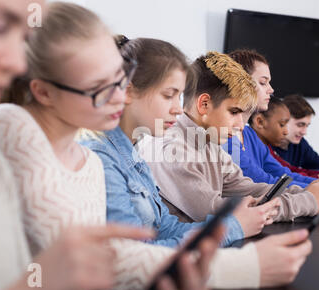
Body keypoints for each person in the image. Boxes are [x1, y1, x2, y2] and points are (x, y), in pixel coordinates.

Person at [0, 1, 221, 290]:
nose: (119, 98)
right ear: (44, 92)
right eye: (102, 86)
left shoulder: (88, 160)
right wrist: (243, 259)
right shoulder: (11, 125)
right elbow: (111, 262)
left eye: (120, 80)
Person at [81, 36, 279, 247]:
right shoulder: (101, 159)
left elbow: (165, 228)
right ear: (128, 92)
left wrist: (232, 223)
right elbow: (133, 256)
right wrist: (233, 227)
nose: (178, 108)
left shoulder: (133, 155)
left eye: (179, 96)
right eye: (168, 95)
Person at [137, 50, 319, 227]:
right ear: (204, 105)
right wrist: (309, 202)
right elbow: (219, 213)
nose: (241, 125)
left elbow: (245, 187)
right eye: (234, 112)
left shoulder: (208, 142)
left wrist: (304, 192)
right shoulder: (171, 149)